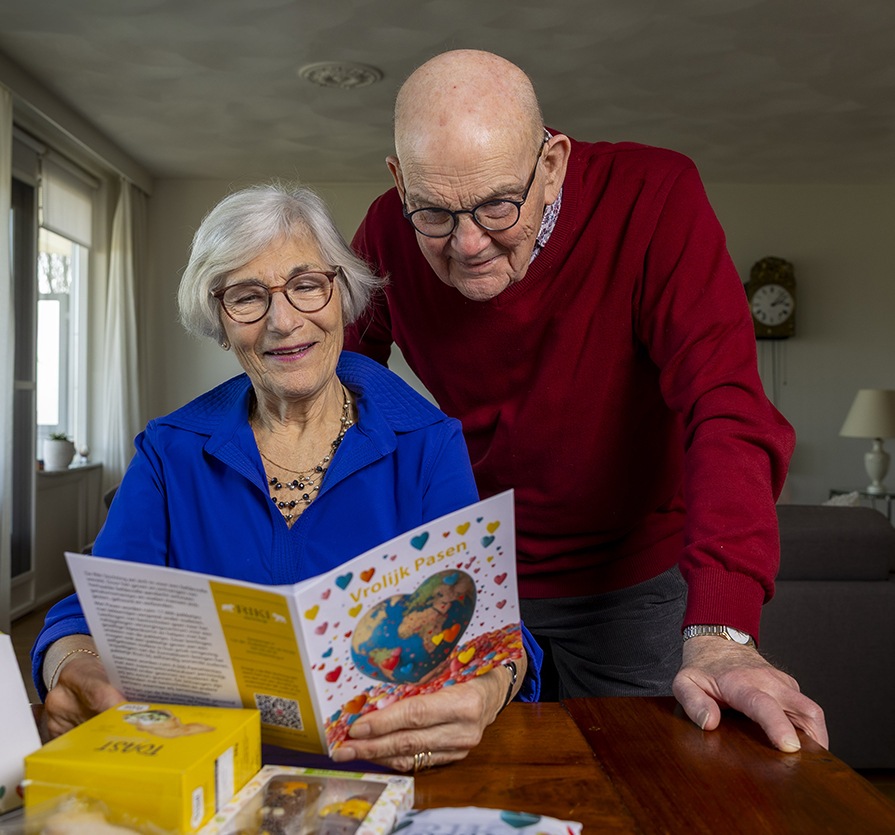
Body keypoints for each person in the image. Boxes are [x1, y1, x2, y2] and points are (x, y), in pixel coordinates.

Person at [345, 49, 828, 753]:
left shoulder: (656, 197)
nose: (469, 243)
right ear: (399, 183)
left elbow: (725, 408)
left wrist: (723, 632)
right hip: (479, 586)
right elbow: (335, 396)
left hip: (639, 585)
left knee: (648, 798)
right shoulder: (389, 228)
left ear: (552, 165)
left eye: (497, 206)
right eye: (436, 214)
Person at [32, 183, 542, 771]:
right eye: (247, 297)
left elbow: (492, 632)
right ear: (220, 322)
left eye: (306, 286)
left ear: (341, 296)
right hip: (207, 767)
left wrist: (489, 688)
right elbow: (89, 616)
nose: (283, 321)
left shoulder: (427, 446)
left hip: (385, 768)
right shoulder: (168, 453)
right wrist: (74, 666)